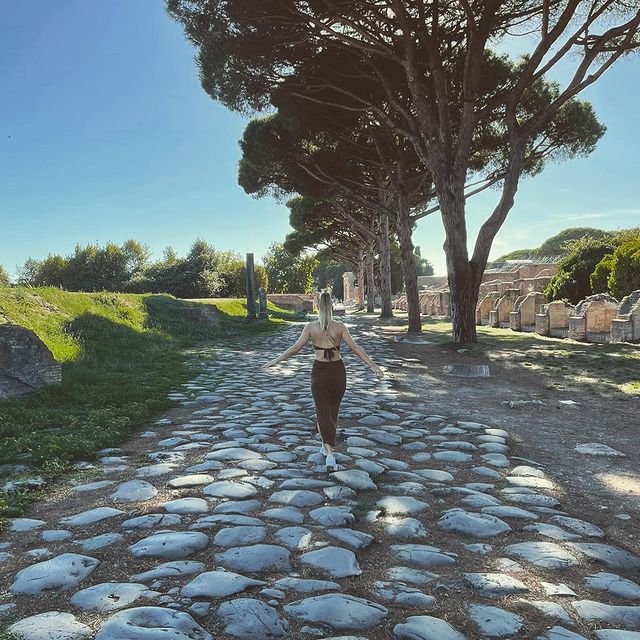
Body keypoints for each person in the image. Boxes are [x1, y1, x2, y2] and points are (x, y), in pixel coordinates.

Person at [262, 291, 383, 470]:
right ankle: (328, 449)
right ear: (332, 306)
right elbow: (355, 347)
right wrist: (372, 365)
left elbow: (295, 348)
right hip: (337, 373)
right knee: (331, 412)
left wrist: (275, 361)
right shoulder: (340, 327)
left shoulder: (311, 327)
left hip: (319, 373)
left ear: (318, 306)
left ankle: (329, 451)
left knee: (323, 412)